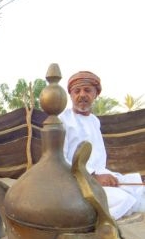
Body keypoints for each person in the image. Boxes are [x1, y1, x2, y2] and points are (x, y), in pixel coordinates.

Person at [59, 70, 145, 220]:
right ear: (71, 95)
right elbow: (60, 159)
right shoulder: (63, 120)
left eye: (87, 90)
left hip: (100, 175)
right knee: (124, 200)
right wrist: (93, 175)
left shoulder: (94, 121)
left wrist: (106, 176)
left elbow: (98, 161)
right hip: (77, 181)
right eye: (77, 91)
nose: (82, 94)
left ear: (95, 94)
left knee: (137, 186)